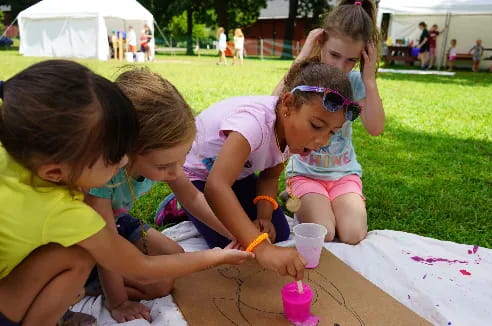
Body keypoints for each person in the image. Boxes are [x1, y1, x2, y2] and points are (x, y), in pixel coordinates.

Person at [0, 60, 253, 326]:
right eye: (113, 158)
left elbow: (190, 197)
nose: (122, 162)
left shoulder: (21, 151)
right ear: (54, 171)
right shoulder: (70, 212)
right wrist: (214, 257)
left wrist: (236, 232)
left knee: (164, 257)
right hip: (20, 286)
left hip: (88, 235)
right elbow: (139, 268)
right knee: (82, 257)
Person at [182, 58, 357, 280]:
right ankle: (179, 204)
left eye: (332, 132)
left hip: (239, 174)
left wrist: (263, 216)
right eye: (317, 126)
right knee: (233, 245)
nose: (323, 141)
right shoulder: (253, 124)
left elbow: (269, 177)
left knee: (278, 231)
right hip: (197, 177)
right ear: (287, 104)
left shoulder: (294, 136)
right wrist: (261, 248)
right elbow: (216, 186)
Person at [86, 68, 238, 323]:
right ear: (128, 151)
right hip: (88, 238)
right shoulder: (102, 174)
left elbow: (192, 198)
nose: (175, 172)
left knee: (175, 253)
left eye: (182, 158)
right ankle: (87, 281)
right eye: (164, 166)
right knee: (159, 285)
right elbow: (106, 244)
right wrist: (118, 302)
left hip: (118, 222)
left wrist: (235, 232)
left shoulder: (166, 157)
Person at [273, 0, 384, 245]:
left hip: (344, 175)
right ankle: (295, 194)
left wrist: (369, 79)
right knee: (325, 232)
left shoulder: (355, 82)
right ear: (321, 43)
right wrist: (301, 58)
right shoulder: (308, 75)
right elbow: (271, 106)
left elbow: (375, 128)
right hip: (305, 174)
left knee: (353, 235)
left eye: (350, 60)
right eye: (334, 55)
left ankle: (315, 200)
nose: (340, 66)